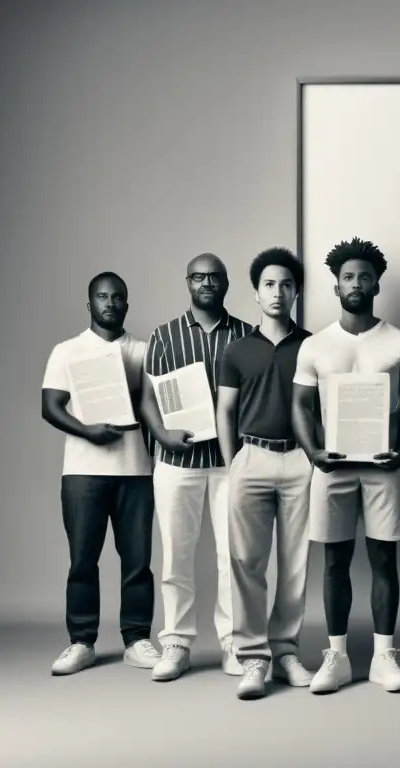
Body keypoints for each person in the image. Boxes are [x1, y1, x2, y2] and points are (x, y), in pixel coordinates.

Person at [292, 238, 400, 694]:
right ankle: (338, 656)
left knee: (385, 559)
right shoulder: (316, 345)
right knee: (334, 561)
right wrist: (313, 453)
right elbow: (301, 407)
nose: (357, 284)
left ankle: (385, 657)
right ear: (336, 285)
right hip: (333, 467)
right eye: (349, 277)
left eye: (365, 277)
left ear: (377, 284)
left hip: (385, 465)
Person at [140, 253, 254, 682]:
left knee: (234, 556)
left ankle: (234, 644)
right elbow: (149, 397)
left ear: (226, 283)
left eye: (215, 277)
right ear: (187, 282)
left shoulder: (246, 334)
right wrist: (163, 434)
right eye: (199, 277)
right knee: (176, 555)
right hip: (176, 460)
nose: (207, 283)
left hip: (230, 461)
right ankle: (177, 643)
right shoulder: (164, 335)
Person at [41, 271, 161, 675]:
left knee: (138, 561)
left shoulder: (144, 351)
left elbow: (157, 407)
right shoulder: (67, 351)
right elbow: (51, 406)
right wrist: (87, 431)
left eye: (118, 297)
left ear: (128, 303)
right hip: (82, 471)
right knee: (82, 560)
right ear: (89, 303)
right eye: (102, 296)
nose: (110, 303)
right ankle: (81, 642)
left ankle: (137, 639)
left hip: (135, 470)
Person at [216, 247, 314, 700]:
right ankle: (253, 657)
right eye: (269, 285)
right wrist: (232, 459)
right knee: (246, 562)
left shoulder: (312, 346)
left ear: (297, 291)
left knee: (295, 564)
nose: (278, 292)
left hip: (299, 461)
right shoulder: (236, 350)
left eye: (287, 284)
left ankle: (286, 651)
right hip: (250, 458)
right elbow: (226, 410)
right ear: (256, 294)